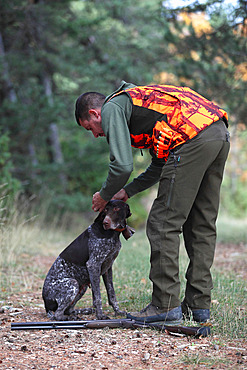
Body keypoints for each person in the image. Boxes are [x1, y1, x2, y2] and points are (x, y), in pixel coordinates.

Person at [75, 81, 230, 324]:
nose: (96, 134)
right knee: (201, 223)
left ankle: (164, 304)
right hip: (216, 132)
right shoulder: (147, 111)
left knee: (162, 223)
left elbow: (122, 166)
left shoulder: (113, 107)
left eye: (90, 128)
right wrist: (127, 192)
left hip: (192, 138)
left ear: (96, 113)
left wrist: (104, 194)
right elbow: (159, 165)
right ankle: (198, 306)